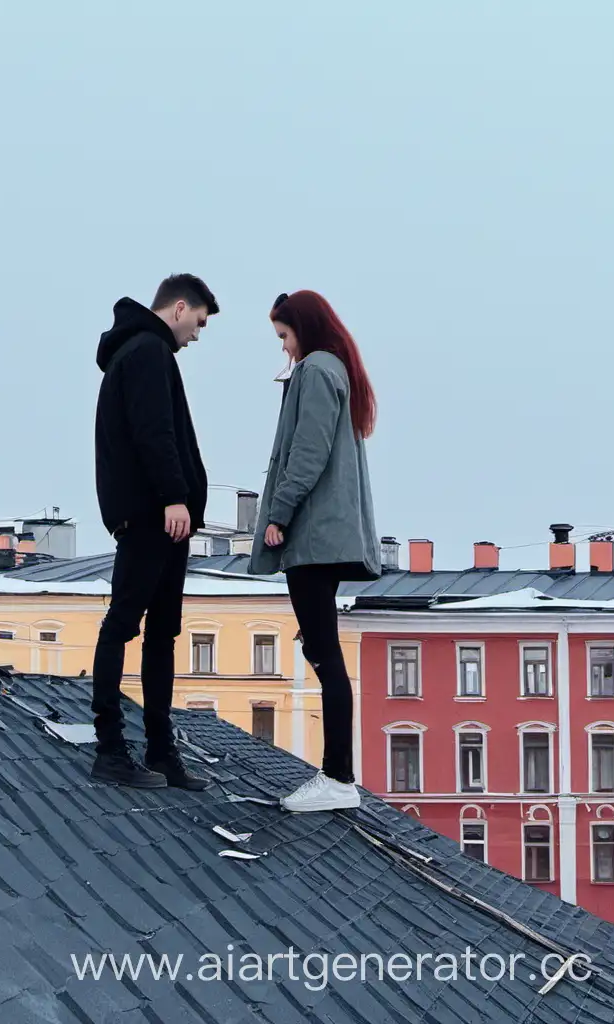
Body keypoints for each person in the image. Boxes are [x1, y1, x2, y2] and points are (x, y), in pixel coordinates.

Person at [248, 290, 380, 812]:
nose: (284, 348)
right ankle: (338, 777)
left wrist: (280, 512)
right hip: (326, 533)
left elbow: (307, 450)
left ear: (302, 326)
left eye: (284, 335)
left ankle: (338, 779)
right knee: (323, 650)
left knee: (324, 655)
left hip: (314, 536)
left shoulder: (317, 370)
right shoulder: (335, 368)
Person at [90, 273, 219, 789]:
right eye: (199, 323)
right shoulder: (147, 350)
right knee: (125, 622)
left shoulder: (143, 351)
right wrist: (172, 495)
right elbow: (153, 430)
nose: (197, 335)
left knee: (162, 631)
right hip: (152, 514)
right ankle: (112, 750)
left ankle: (161, 751)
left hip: (162, 515)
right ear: (180, 308)